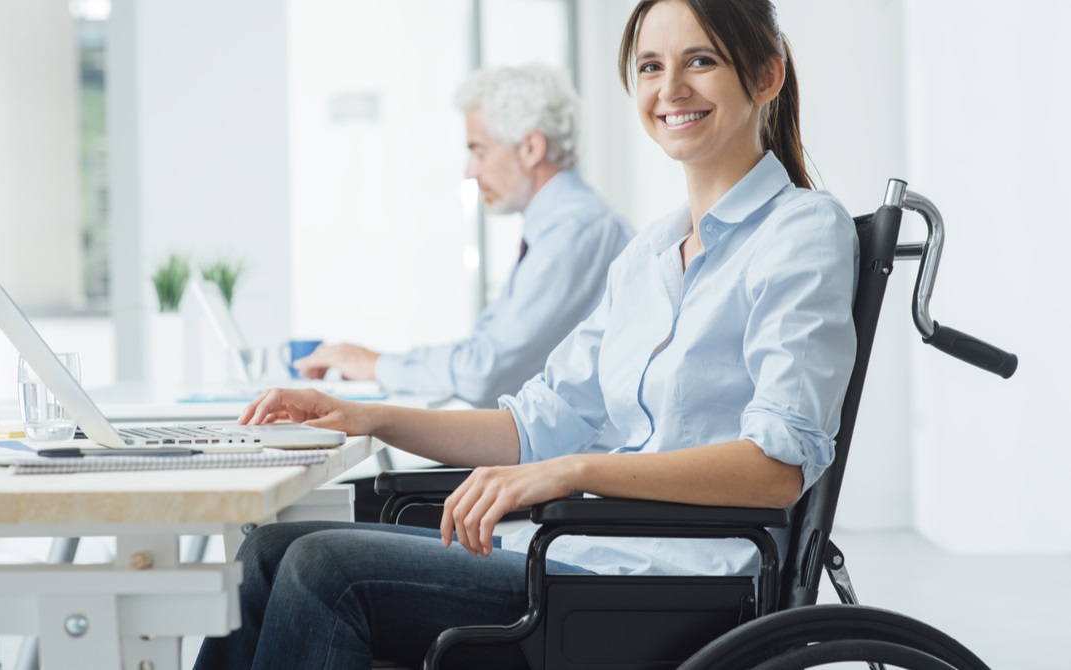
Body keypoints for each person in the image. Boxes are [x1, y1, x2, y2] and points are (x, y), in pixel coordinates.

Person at [194, 0, 859, 668]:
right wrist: (364, 415)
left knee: (320, 568)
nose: (670, 88)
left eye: (702, 61)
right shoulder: (647, 257)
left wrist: (570, 472)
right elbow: (535, 422)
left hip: (674, 588)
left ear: (767, 75)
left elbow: (776, 469)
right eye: (651, 66)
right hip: (584, 560)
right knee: (265, 552)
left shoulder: (801, 232)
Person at [292, 65, 633, 409]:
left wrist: (375, 365)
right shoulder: (560, 228)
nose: (470, 171)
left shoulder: (575, 232)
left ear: (530, 148)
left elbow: (485, 370)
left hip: (578, 456)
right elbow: (487, 351)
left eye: (479, 151)